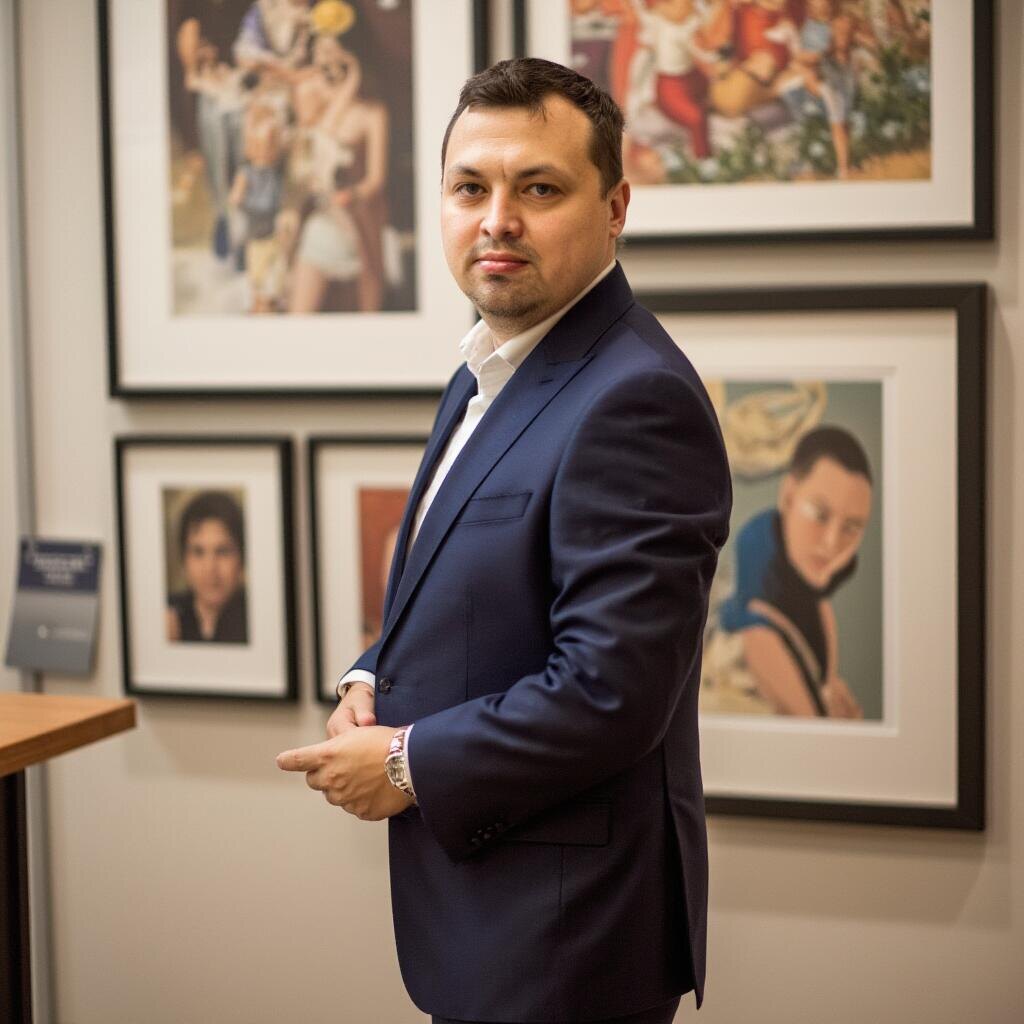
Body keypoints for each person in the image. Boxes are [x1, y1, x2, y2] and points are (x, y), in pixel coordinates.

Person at [276, 58, 732, 1023]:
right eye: (470, 188)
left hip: (565, 942)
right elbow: (473, 582)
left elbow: (611, 692)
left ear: (615, 207)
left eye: (539, 189)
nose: (497, 221)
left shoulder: (635, 398)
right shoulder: (490, 365)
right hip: (498, 923)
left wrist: (405, 763)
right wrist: (371, 675)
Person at [715, 425, 872, 717]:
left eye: (851, 528)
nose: (832, 543)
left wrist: (829, 683)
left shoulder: (821, 567)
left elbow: (819, 602)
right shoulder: (756, 542)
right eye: (820, 515)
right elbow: (757, 632)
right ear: (788, 496)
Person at [166, 491, 248, 644]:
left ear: (242, 559)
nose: (210, 568)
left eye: (223, 551)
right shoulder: (165, 613)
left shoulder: (258, 616)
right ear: (184, 560)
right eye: (198, 552)